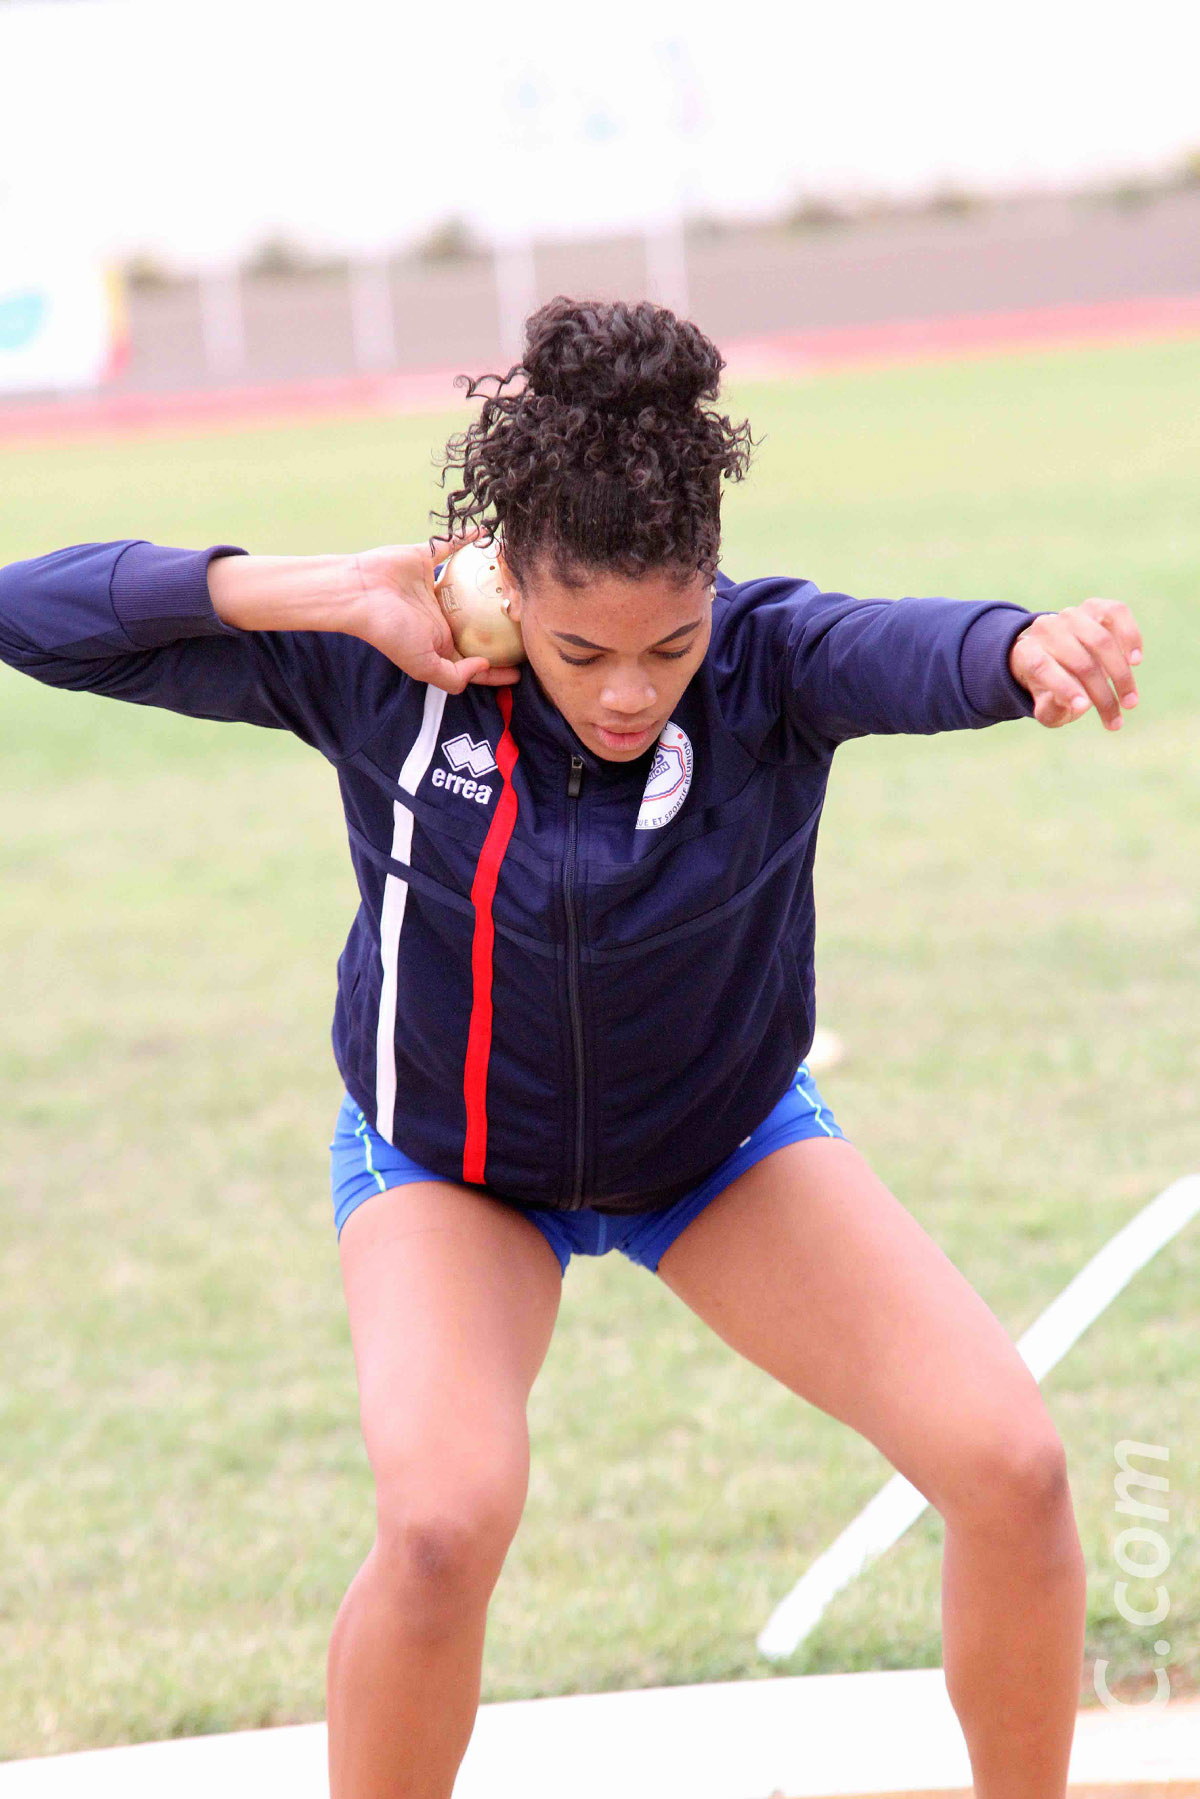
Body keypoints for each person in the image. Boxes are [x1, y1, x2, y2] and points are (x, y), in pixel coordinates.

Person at [0, 295, 1144, 1799]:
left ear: (715, 597)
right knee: (441, 1525)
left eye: (668, 642)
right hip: (451, 1168)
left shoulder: (766, 669)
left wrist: (1028, 648)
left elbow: (920, 650)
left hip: (718, 1148)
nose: (625, 689)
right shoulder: (386, 663)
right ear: (500, 589)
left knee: (1016, 1471)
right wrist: (327, 588)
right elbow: (33, 610)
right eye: (579, 643)